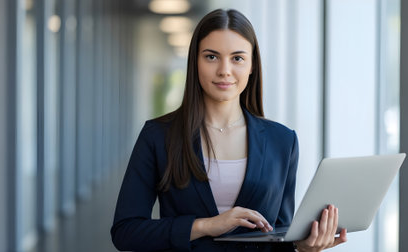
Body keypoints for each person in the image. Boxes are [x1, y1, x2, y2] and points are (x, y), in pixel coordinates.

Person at [110, 8, 347, 252]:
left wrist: (303, 247)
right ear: (195, 62)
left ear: (252, 65)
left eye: (237, 58)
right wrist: (205, 226)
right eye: (211, 57)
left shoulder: (283, 141)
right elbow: (126, 231)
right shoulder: (158, 135)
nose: (224, 70)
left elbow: (278, 237)